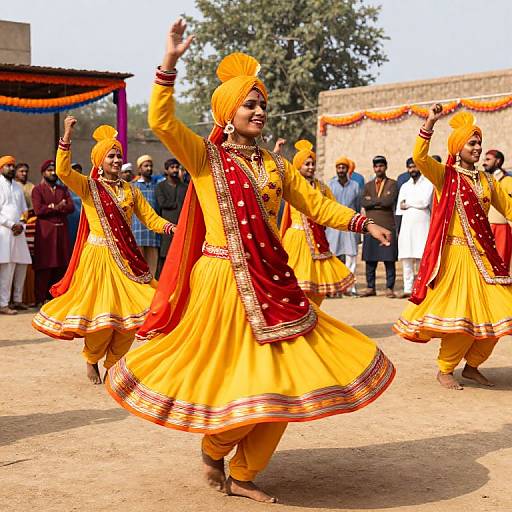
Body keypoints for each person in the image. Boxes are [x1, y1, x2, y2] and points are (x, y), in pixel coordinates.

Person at [106, 19, 395, 504]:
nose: (260, 111)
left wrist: (363, 224)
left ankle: (243, 472)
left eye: (263, 104)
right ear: (227, 111)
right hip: (222, 285)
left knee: (283, 385)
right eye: (251, 103)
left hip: (273, 285)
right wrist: (169, 65)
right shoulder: (204, 158)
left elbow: (315, 205)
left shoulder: (277, 166)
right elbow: (161, 123)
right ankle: (215, 447)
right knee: (235, 381)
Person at [32, 117, 175, 384]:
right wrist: (67, 135)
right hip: (97, 260)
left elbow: (150, 218)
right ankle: (91, 357)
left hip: (127, 260)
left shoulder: (131, 191)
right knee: (102, 318)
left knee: (132, 319)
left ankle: (113, 364)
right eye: (111, 156)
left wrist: (171, 229)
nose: (117, 160)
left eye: (119, 156)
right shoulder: (89, 188)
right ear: (100, 160)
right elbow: (63, 171)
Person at [394, 105, 512, 390]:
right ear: (458, 147)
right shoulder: (445, 176)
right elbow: (420, 157)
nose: (478, 147)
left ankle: (472, 367)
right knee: (462, 318)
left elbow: (508, 207)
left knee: (501, 313)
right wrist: (430, 122)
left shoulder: (487, 181)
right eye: (472, 143)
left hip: (485, 259)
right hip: (455, 259)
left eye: (479, 143)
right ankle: (445, 369)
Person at [280, 141, 355, 305]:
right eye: (307, 164)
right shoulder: (292, 186)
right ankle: (301, 318)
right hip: (296, 241)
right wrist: (277, 154)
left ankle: (316, 318)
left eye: (313, 163)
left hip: (318, 240)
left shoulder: (322, 187)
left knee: (318, 286)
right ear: (298, 166)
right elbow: (276, 178)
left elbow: (332, 208)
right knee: (298, 284)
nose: (311, 167)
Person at [32, 160, 75, 306]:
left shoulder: (63, 190)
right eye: (50, 170)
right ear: (43, 172)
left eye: (54, 170)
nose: (53, 173)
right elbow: (39, 210)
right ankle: (40, 299)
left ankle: (56, 299)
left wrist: (51, 207)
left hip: (61, 233)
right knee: (45, 265)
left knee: (61, 265)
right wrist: (58, 207)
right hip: (46, 234)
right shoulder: (37, 190)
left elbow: (70, 208)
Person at [360, 156, 398, 298]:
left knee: (389, 259)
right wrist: (378, 202)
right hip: (371, 226)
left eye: (381, 166)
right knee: (370, 259)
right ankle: (370, 287)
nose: (378, 169)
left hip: (387, 225)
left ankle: (389, 288)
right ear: (373, 168)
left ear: (385, 167)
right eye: (376, 166)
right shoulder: (368, 185)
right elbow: (364, 202)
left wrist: (373, 201)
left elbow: (388, 201)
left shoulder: (392, 184)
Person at [395, 157, 433, 298]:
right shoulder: (405, 186)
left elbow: (424, 202)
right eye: (410, 167)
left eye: (415, 167)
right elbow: (400, 207)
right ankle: (407, 289)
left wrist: (409, 203)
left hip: (422, 224)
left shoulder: (428, 183)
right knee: (407, 258)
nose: (412, 170)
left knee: (422, 258)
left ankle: (422, 288)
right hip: (406, 225)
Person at [0, 155, 31, 314]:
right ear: (1, 168)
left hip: (19, 231)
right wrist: (11, 224)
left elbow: (24, 210)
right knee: (7, 266)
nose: (11, 168)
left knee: (22, 264)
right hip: (4, 232)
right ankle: (3, 304)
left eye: (13, 166)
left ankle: (18, 300)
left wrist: (22, 225)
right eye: (8, 166)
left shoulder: (18, 187)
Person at [326, 155, 361, 296]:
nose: (341, 170)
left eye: (343, 168)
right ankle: (334, 289)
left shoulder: (355, 186)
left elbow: (357, 207)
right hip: (333, 226)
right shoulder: (330, 185)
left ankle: (350, 288)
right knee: (333, 257)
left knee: (351, 257)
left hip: (350, 225)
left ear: (348, 169)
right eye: (339, 167)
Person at [155, 157, 188, 278]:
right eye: (172, 167)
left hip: (182, 226)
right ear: (166, 170)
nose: (175, 170)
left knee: (180, 255)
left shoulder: (185, 187)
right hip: (166, 227)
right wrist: (176, 204)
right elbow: (162, 203)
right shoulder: (161, 186)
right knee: (164, 256)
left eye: (176, 167)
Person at [132, 154, 161, 275]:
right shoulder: (133, 186)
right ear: (139, 169)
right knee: (138, 263)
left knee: (152, 265)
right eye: (146, 166)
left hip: (153, 231)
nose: (149, 168)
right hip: (137, 230)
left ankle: (152, 289)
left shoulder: (157, 186)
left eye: (150, 166)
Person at [483, 149, 512, 266]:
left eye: (488, 159)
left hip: (501, 228)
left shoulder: (507, 181)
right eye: (484, 159)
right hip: (486, 226)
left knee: (501, 263)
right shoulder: (485, 180)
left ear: (498, 161)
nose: (484, 162)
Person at [67, 162, 83, 247]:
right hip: (69, 221)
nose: (76, 174)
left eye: (79, 172)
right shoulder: (63, 187)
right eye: (74, 171)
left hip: (82, 221)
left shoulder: (84, 187)